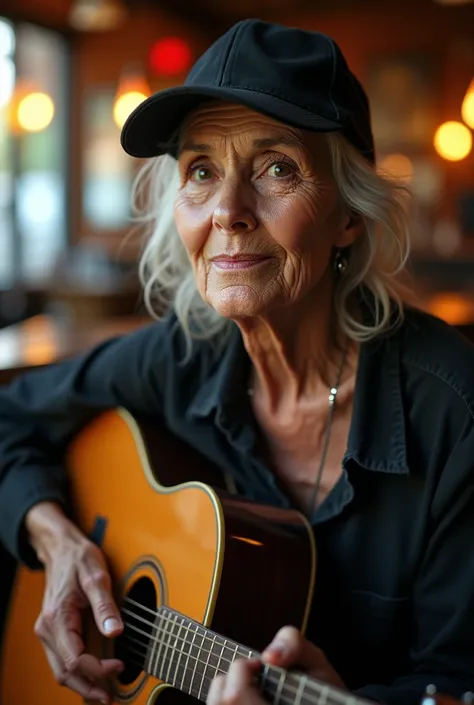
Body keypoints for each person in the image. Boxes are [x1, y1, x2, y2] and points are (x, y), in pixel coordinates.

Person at [0, 17, 473, 705]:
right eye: (200, 171)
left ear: (348, 214)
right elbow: (9, 413)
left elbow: (458, 680)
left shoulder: (454, 412)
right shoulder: (182, 355)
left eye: (277, 167)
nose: (228, 209)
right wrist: (56, 540)